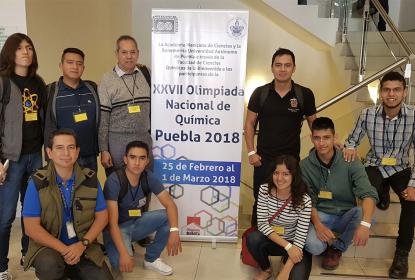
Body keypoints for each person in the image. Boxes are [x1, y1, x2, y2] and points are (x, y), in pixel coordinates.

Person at [344, 71, 415, 278]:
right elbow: (352, 140)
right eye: (386, 90)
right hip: (374, 164)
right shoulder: (367, 114)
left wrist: (413, 184)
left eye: (396, 90)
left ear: (404, 92)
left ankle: (402, 255)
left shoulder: (413, 116)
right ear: (380, 93)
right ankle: (380, 190)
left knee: (411, 204)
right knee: (366, 192)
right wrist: (349, 147)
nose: (391, 94)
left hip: (401, 167)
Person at [22, 129, 112, 279]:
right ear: (49, 153)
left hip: (83, 247)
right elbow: (31, 228)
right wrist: (65, 250)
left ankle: (73, 271)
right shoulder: (37, 182)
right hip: (49, 248)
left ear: (77, 152)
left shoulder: (90, 179)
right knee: (49, 265)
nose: (66, 153)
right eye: (59, 148)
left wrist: (82, 245)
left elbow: (102, 217)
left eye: (70, 148)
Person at [244, 48, 316, 226]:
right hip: (264, 159)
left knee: (290, 203)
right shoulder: (260, 93)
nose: (282, 69)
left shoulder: (304, 94)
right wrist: (251, 152)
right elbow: (250, 123)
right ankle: (253, 248)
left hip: (291, 161)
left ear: (294, 68)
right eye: (278, 65)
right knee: (260, 203)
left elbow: (314, 124)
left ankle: (285, 245)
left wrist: (330, 141)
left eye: (287, 65)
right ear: (272, 68)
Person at [301, 117, 378, 270]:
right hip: (321, 214)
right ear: (311, 138)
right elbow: (309, 200)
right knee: (314, 246)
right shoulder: (304, 165)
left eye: (326, 137)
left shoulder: (351, 159)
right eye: (317, 138)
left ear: (335, 137)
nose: (322, 143)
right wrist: (318, 225)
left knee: (366, 215)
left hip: (346, 214)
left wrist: (365, 224)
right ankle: (328, 241)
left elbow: (368, 193)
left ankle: (336, 248)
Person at [0, 33, 47, 279]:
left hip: (34, 156)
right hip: (10, 159)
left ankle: (28, 254)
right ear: (10, 52)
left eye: (29, 47)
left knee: (31, 212)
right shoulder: (3, 82)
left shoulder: (38, 82)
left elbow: (44, 120)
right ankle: (1, 267)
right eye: (19, 48)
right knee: (6, 215)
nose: (26, 52)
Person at [103, 140, 181, 276]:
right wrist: (123, 253)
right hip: (116, 229)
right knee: (121, 265)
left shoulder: (148, 177)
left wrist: (174, 231)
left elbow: (170, 204)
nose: (137, 163)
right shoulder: (114, 181)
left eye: (142, 158)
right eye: (132, 157)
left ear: (147, 161)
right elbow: (112, 223)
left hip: (137, 222)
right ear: (125, 159)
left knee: (169, 217)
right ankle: (122, 250)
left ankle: (151, 259)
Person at [247, 155, 312, 280]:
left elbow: (300, 237)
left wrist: (285, 272)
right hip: (273, 239)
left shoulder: (305, 200)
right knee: (253, 238)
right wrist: (287, 247)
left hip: (295, 244)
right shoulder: (264, 189)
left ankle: (285, 263)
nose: (279, 178)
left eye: (286, 174)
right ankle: (266, 269)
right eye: (276, 173)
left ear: (294, 176)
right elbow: (262, 224)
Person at [98, 35, 151, 176]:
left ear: (138, 53)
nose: (129, 57)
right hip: (117, 145)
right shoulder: (107, 80)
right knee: (118, 190)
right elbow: (103, 119)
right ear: (117, 54)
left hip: (144, 141)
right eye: (124, 52)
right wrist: (104, 150)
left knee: (144, 187)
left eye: (133, 52)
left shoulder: (146, 74)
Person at [44, 47, 100, 171]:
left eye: (79, 64)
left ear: (83, 68)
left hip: (88, 154)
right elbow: (47, 127)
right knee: (64, 190)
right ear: (61, 66)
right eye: (70, 63)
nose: (75, 67)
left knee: (89, 189)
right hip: (63, 157)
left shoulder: (92, 88)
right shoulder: (50, 91)